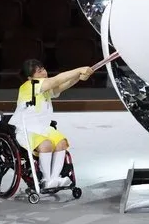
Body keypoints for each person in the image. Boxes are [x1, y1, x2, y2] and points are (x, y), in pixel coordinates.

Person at [9, 59, 93, 189]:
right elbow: (56, 80)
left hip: (44, 129)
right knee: (46, 145)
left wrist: (79, 77)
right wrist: (79, 70)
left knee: (62, 143)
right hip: (27, 130)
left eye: (43, 69)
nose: (43, 73)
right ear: (30, 77)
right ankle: (46, 179)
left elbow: (63, 85)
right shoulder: (29, 85)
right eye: (39, 72)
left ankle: (54, 179)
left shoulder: (44, 88)